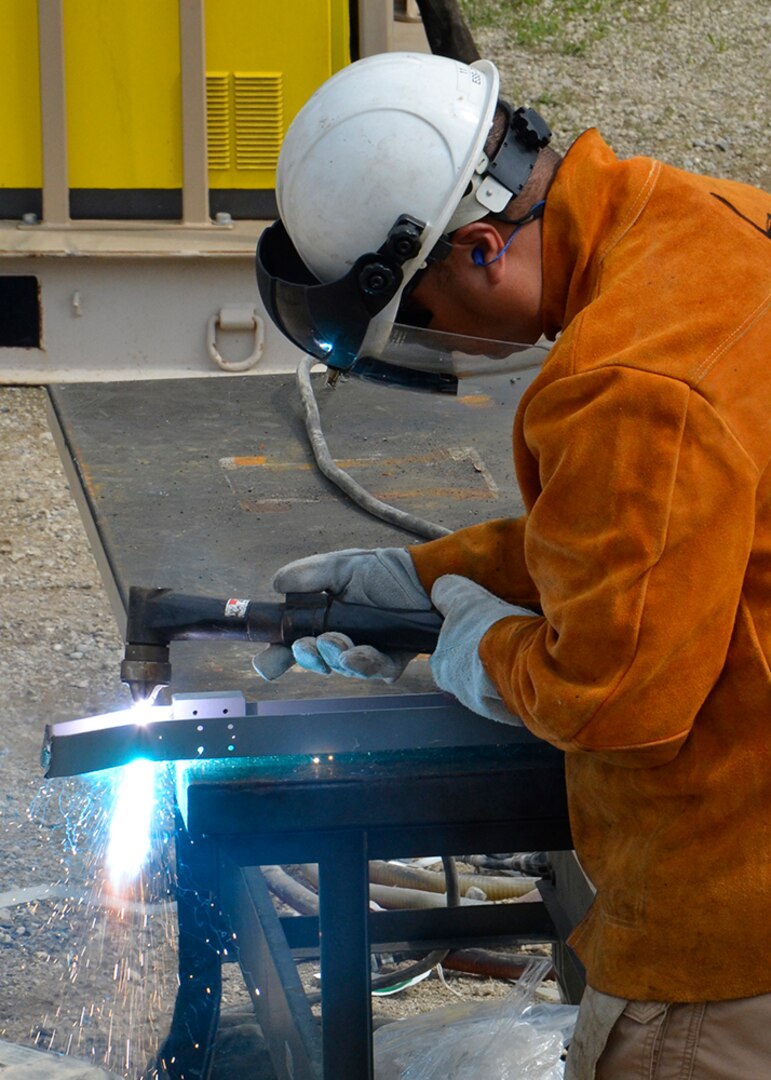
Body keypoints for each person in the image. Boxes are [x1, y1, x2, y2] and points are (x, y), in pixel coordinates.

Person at [254, 51, 771, 1078]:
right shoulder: (713, 225)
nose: (454, 346)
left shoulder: (627, 381)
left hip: (730, 937)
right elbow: (673, 528)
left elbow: (615, 697)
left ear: (483, 247)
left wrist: (477, 648)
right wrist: (429, 573)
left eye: (428, 318)